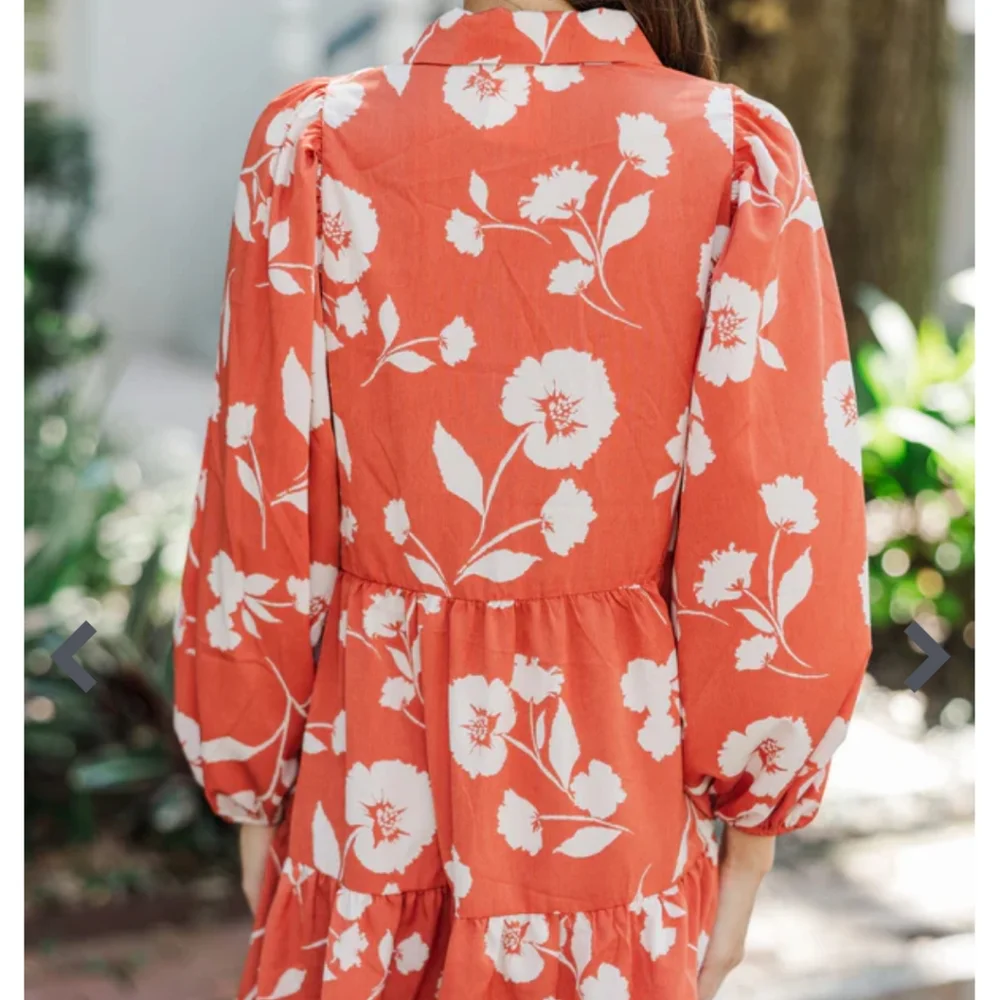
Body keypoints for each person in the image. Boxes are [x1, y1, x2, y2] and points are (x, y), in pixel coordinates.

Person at [172, 1, 872, 997]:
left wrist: (251, 782)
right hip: (611, 792)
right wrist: (752, 827)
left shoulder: (315, 144)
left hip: (370, 790)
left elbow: (261, 504)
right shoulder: (731, 155)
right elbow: (772, 514)